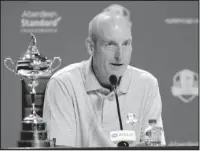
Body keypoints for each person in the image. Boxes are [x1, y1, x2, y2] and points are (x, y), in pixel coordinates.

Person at [43, 4, 166, 147]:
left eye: (126, 44)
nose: (120, 56)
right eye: (110, 45)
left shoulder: (147, 84)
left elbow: (154, 146)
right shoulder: (64, 84)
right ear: (91, 47)